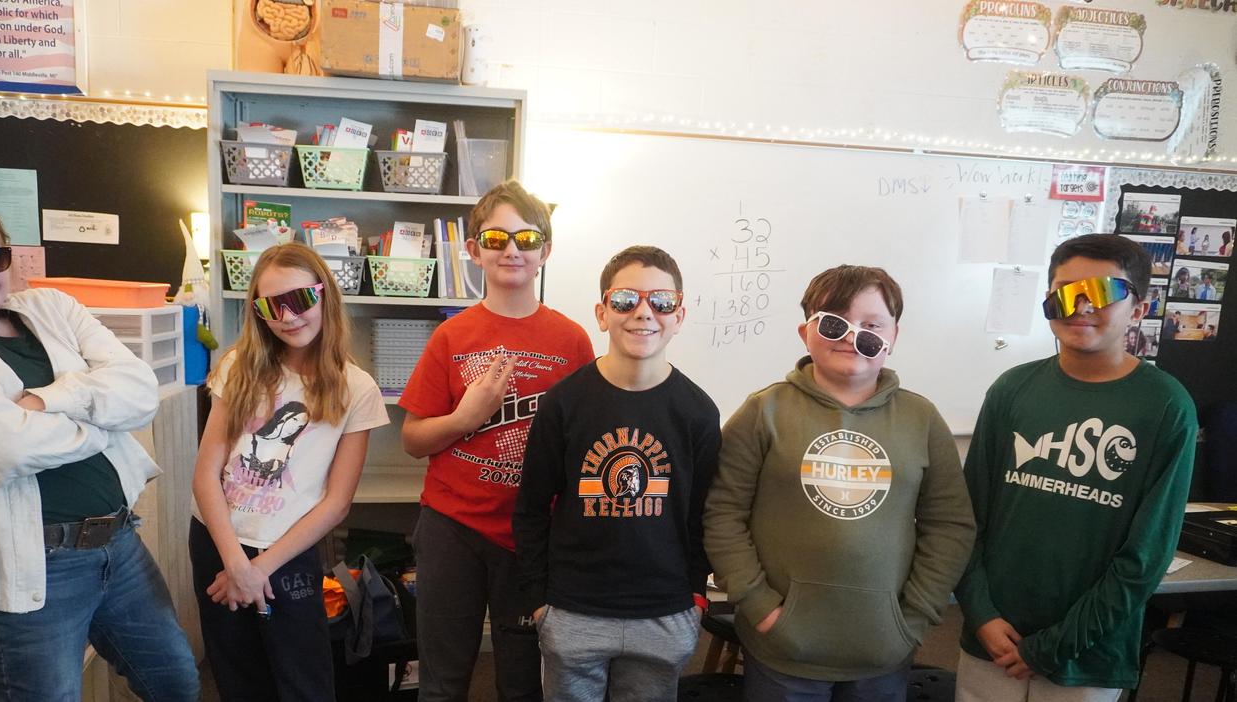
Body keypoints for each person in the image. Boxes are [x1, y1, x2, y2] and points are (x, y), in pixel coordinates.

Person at [0, 191, 198, 700]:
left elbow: (139, 392)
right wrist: (103, 420)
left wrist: (42, 401)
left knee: (176, 681)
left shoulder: (52, 307)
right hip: (29, 559)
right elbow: (3, 450)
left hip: (118, 543)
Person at [704, 265, 975, 701]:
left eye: (870, 326)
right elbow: (722, 514)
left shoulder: (921, 420)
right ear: (805, 331)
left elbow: (950, 525)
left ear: (893, 337)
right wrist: (759, 606)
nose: (852, 337)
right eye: (834, 323)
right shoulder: (763, 412)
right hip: (782, 649)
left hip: (883, 648)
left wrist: (915, 618)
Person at [954, 233, 1197, 701]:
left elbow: (1146, 556)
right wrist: (980, 614)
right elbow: (968, 517)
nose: (1081, 305)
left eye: (1104, 291)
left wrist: (1054, 646)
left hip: (1088, 655)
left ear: (1139, 310)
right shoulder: (1012, 389)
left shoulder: (1166, 406)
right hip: (992, 641)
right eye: (1066, 292)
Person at [398, 180, 595, 701]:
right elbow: (414, 440)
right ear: (473, 251)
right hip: (451, 529)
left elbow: (581, 445)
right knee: (442, 679)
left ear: (545, 251)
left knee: (523, 681)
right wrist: (467, 416)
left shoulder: (572, 340)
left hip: (531, 537)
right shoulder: (452, 336)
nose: (512, 249)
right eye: (496, 238)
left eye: (527, 239)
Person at [514, 246, 720, 701]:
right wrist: (540, 602)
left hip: (664, 613)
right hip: (573, 610)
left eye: (661, 301)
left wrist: (695, 598)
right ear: (602, 313)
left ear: (679, 315)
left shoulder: (698, 412)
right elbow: (530, 510)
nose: (644, 313)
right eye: (627, 299)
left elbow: (704, 517)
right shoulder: (562, 404)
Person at [190, 243, 389, 700]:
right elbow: (206, 474)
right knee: (237, 674)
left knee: (304, 679)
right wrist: (236, 564)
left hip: (287, 548)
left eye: (299, 299)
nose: (287, 316)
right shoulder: (239, 367)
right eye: (270, 305)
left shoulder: (356, 388)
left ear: (325, 296)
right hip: (216, 539)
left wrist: (257, 568)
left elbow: (337, 502)